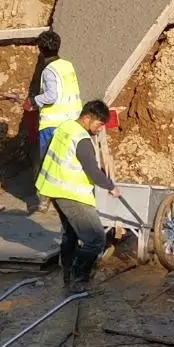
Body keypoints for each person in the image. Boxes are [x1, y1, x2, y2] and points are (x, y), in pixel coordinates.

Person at [34, 99, 139, 292]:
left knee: (71, 234)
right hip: (71, 194)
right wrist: (110, 186)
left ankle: (67, 276)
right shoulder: (81, 139)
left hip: (54, 189)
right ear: (88, 117)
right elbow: (92, 171)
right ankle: (79, 279)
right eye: (99, 124)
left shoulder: (65, 127)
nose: (100, 129)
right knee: (96, 239)